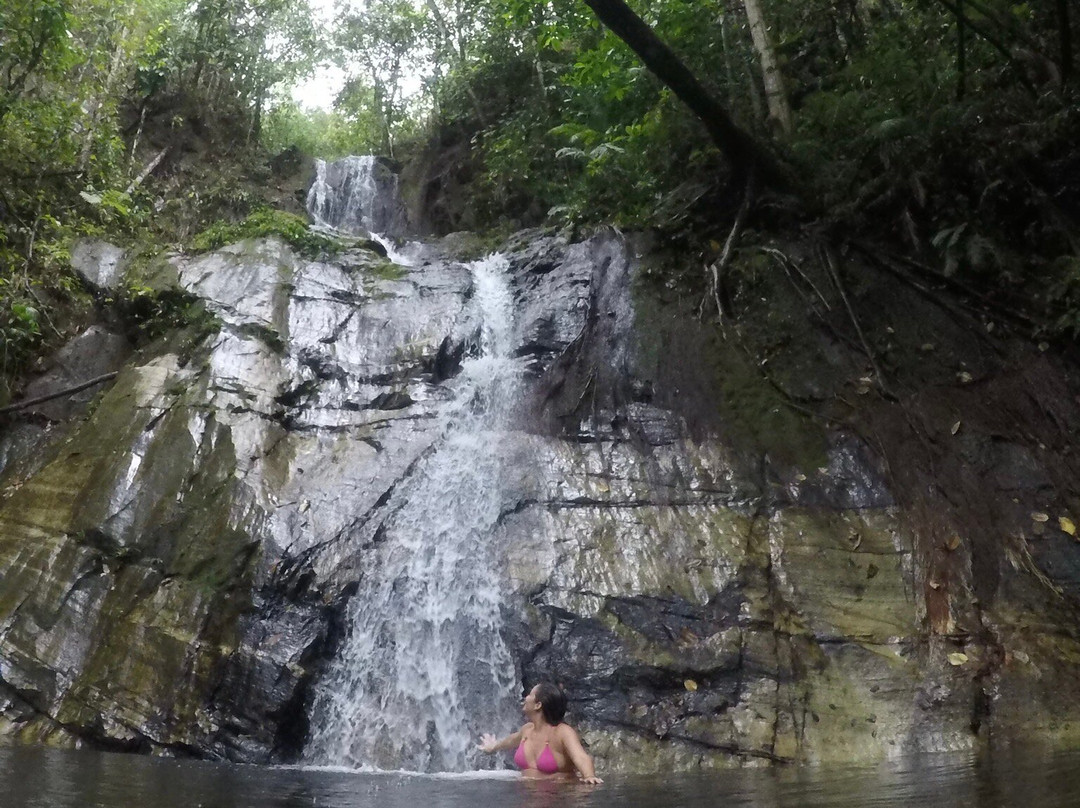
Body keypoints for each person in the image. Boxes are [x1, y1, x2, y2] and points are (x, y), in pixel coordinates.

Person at [477, 682, 603, 784]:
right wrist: (493, 747)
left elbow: (581, 757)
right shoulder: (527, 730)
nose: (525, 697)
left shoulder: (562, 732)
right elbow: (511, 740)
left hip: (559, 797)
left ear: (538, 705)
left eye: (530, 695)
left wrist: (589, 776)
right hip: (527, 798)